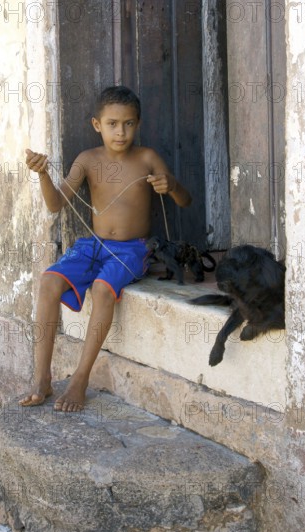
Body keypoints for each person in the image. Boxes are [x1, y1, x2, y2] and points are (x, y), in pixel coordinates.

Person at [20, 85, 192, 412]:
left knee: (101, 289)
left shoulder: (147, 158)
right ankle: (42, 377)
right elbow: (56, 204)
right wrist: (42, 175)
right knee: (48, 282)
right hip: (93, 246)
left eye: (128, 123)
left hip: (132, 249)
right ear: (97, 125)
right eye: (112, 124)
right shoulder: (87, 160)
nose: (121, 131)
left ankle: (80, 379)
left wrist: (171, 186)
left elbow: (186, 200)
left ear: (137, 124)